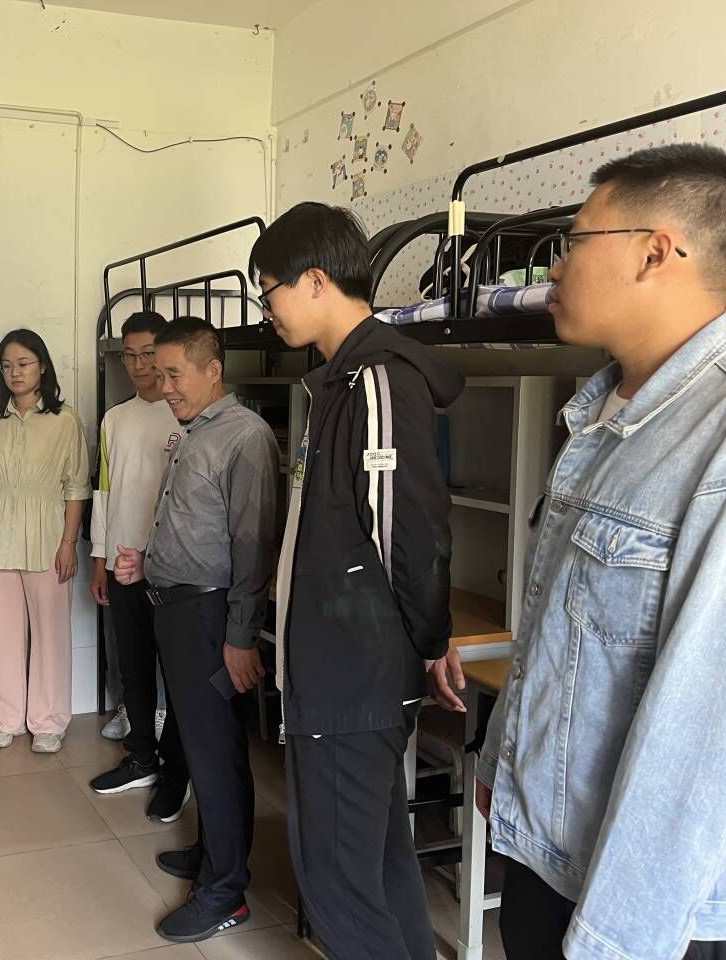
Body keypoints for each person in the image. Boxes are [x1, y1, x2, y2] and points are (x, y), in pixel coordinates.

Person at [472, 145, 726, 960]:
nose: (553, 267)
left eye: (574, 241)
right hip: (552, 849)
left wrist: (616, 938)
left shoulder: (714, 439)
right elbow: (560, 626)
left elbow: (702, 734)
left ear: (655, 251)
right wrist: (502, 758)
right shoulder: (603, 413)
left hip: (637, 901)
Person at [250, 201, 462, 960]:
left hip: (351, 673)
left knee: (338, 886)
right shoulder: (338, 383)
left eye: (269, 291)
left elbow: (411, 530)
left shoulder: (376, 381)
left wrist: (432, 638)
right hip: (340, 666)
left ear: (314, 281)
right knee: (377, 863)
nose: (267, 310)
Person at [114, 317, 278, 944]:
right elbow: (193, 526)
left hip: (211, 617)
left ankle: (224, 893)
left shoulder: (245, 436)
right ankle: (213, 855)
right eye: (159, 374)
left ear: (213, 370)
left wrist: (241, 636)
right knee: (203, 746)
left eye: (174, 374)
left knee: (217, 754)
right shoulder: (195, 431)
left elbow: (252, 547)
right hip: (178, 608)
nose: (165, 386)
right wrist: (146, 563)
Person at [0, 329, 90, 754]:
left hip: (48, 537)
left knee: (51, 634)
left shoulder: (64, 420)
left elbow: (76, 488)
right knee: (2, 633)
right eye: (7, 366)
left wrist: (69, 542)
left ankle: (49, 721)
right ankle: (7, 717)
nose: (15, 373)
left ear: (42, 367)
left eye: (23, 364)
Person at [87, 311, 188, 823]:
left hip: (171, 568)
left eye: (148, 354)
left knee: (177, 670)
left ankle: (176, 772)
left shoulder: (185, 416)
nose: (139, 364)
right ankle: (142, 757)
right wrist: (101, 559)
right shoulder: (115, 419)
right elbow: (104, 493)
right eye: (129, 355)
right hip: (123, 563)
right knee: (134, 665)